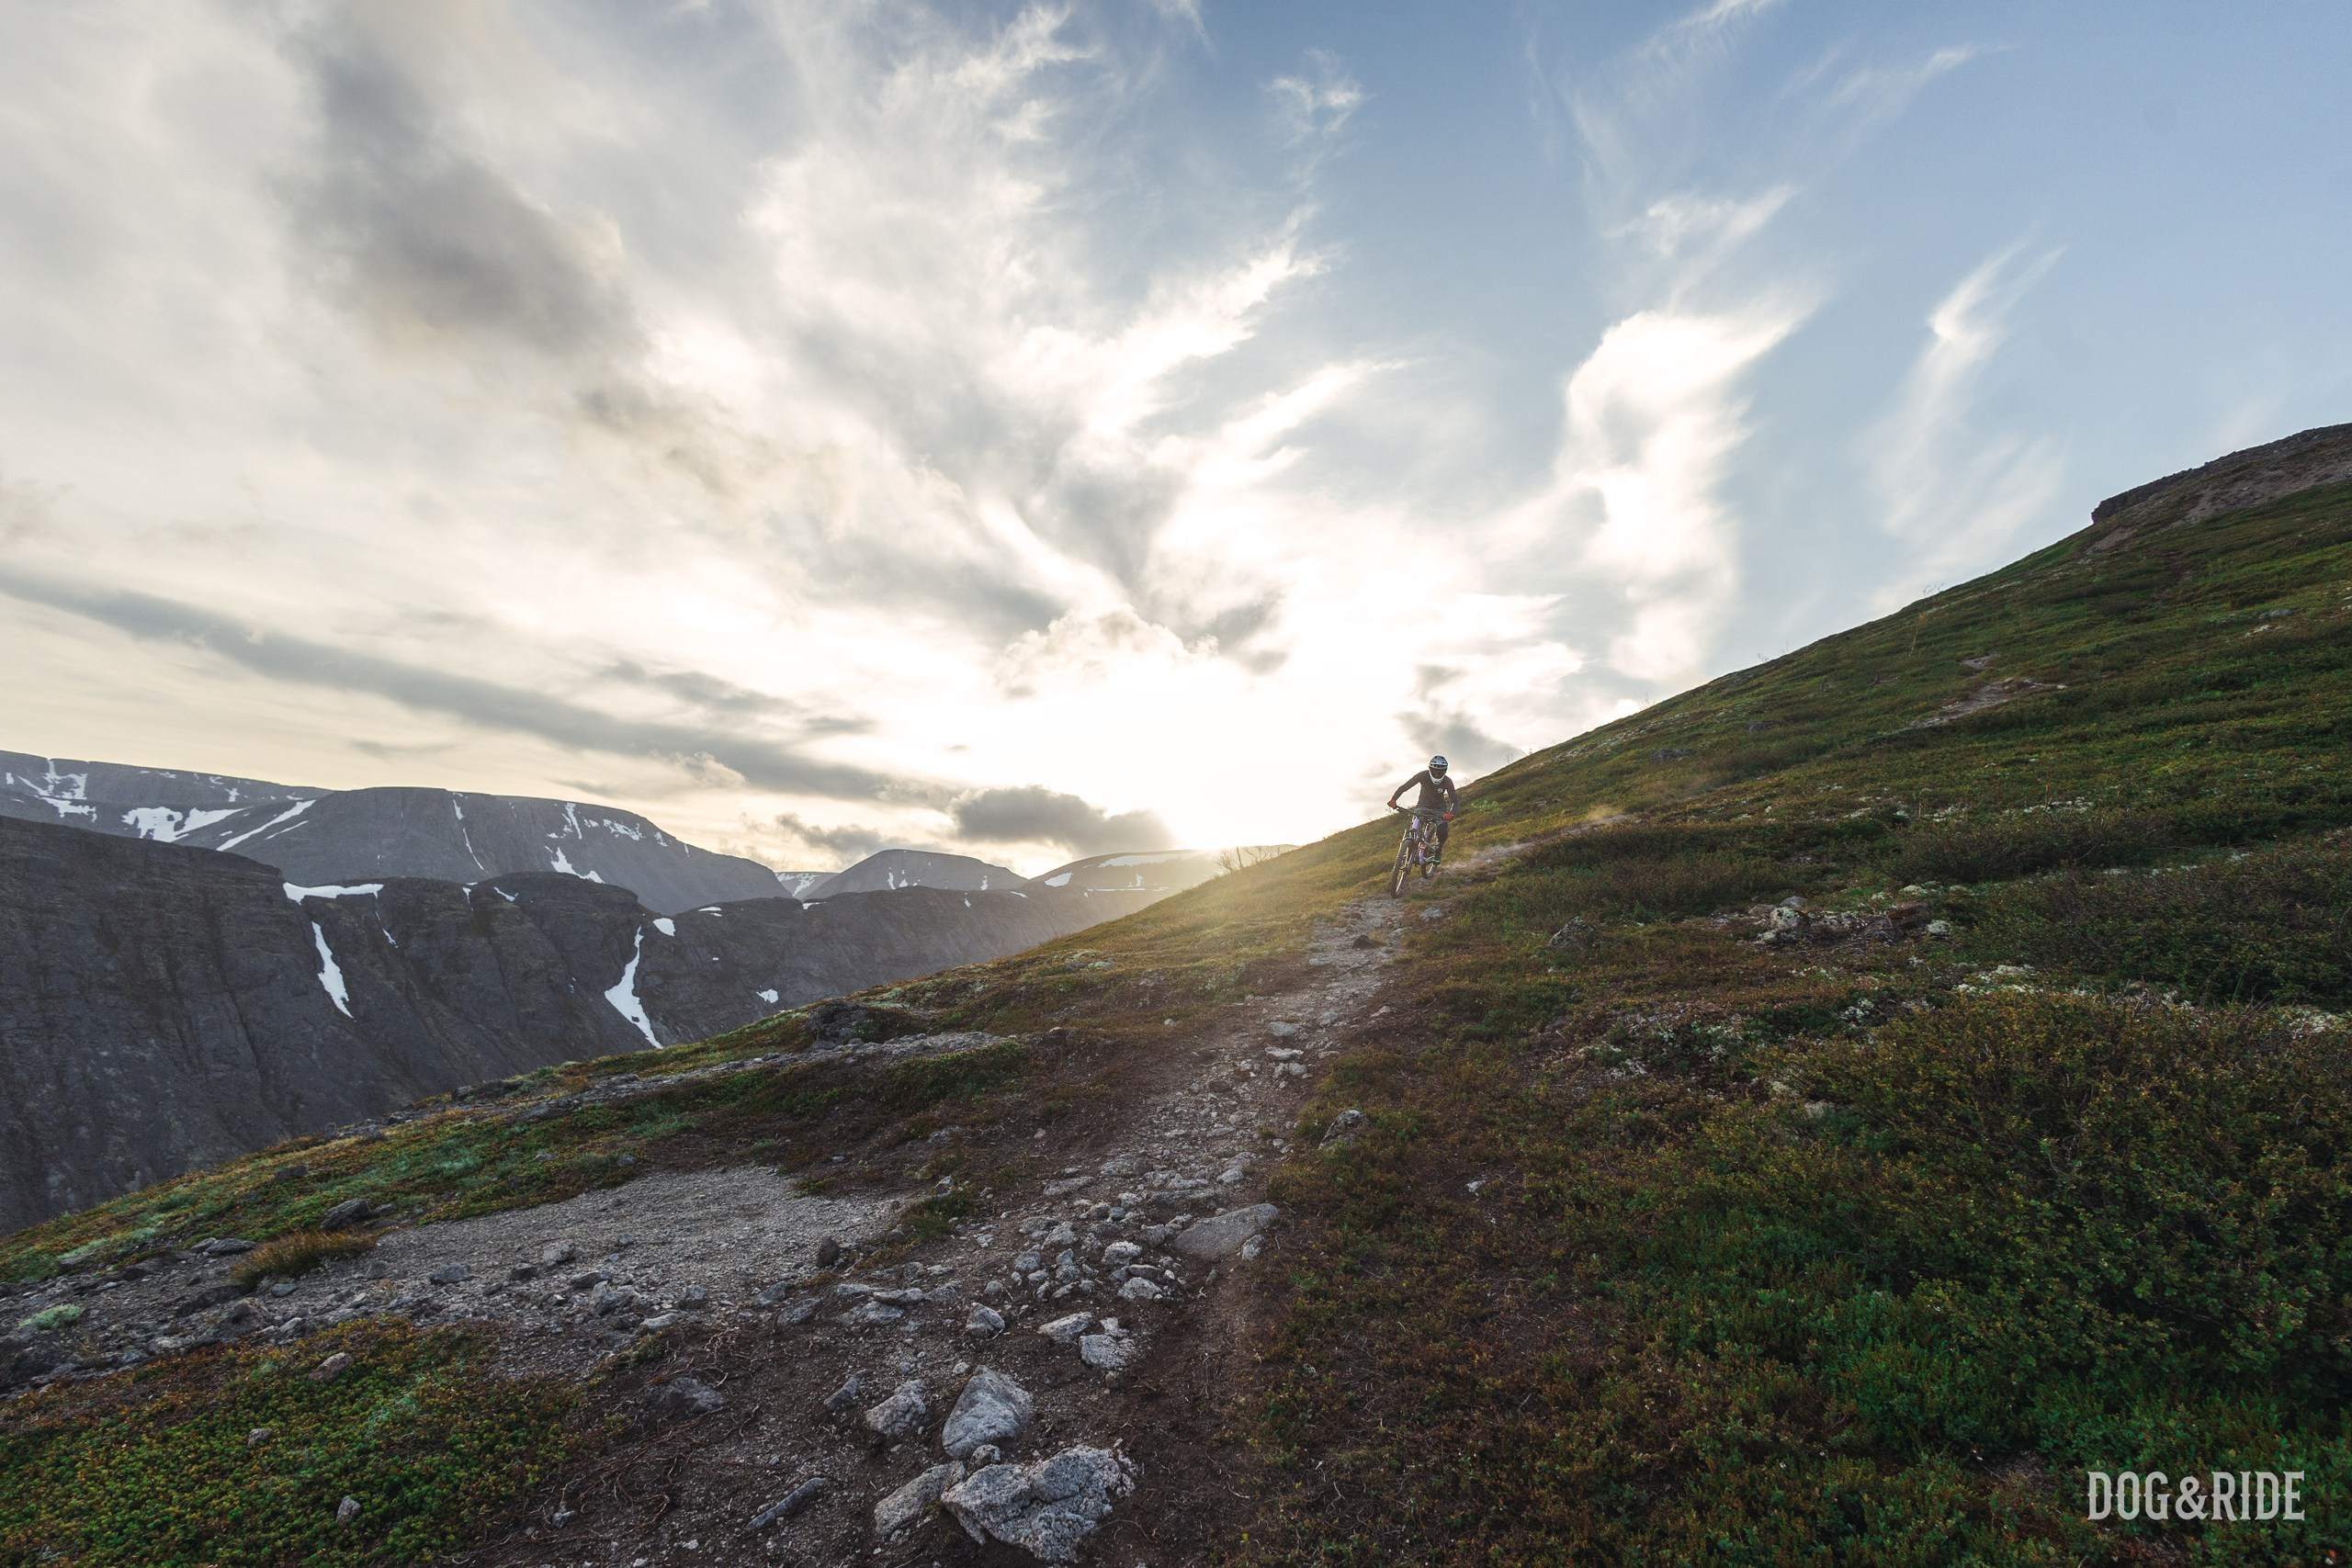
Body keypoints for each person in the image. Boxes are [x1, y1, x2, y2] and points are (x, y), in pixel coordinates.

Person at [1387, 755, 1457, 863]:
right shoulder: (1422, 776)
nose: (1437, 773)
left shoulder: (1447, 781)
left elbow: (1454, 801)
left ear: (1445, 771)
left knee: (1442, 830)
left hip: (1440, 810)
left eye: (1440, 771)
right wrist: (1393, 799)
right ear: (1430, 769)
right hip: (1422, 807)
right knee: (1415, 824)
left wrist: (1451, 813)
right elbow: (1404, 787)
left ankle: (1438, 850)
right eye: (1435, 770)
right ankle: (1410, 847)